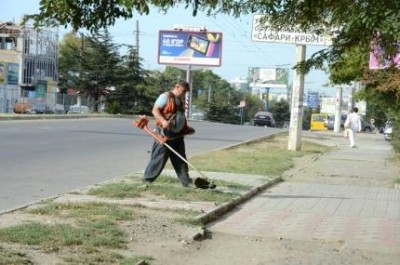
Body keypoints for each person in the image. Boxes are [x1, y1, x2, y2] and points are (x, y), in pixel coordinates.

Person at [143, 79, 195, 187]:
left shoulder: (179, 100)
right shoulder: (165, 96)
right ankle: (147, 180)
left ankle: (186, 182)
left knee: (180, 159)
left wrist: (186, 128)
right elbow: (155, 110)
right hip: (164, 134)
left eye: (186, 92)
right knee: (159, 159)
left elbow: (180, 117)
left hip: (178, 136)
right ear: (177, 87)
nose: (184, 93)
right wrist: (163, 121)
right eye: (183, 91)